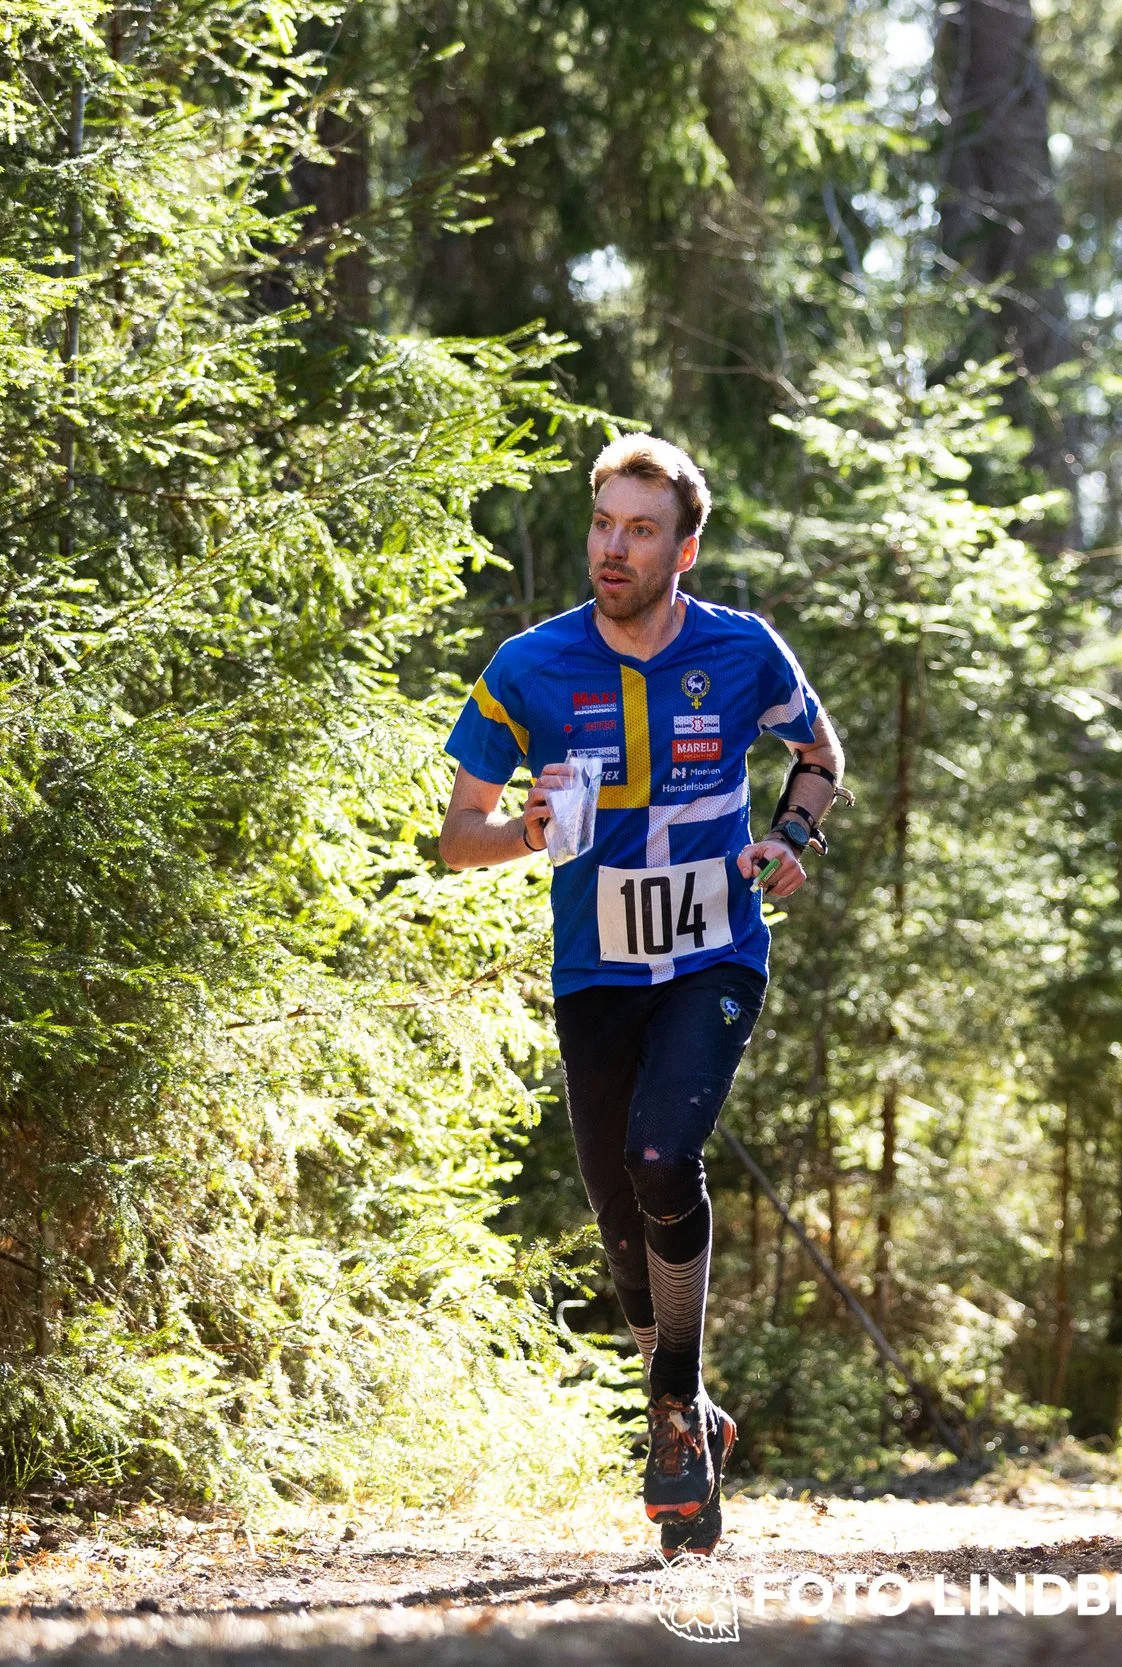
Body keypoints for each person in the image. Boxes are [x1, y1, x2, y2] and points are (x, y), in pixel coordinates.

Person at [438, 434, 844, 1557]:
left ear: (684, 550)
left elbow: (820, 755)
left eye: (642, 530)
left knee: (664, 1156)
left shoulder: (742, 649)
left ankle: (668, 1413)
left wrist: (790, 836)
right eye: (604, 524)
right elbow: (457, 835)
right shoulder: (530, 665)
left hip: (715, 954)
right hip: (596, 971)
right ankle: (693, 1407)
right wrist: (524, 830)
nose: (613, 548)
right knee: (623, 1226)